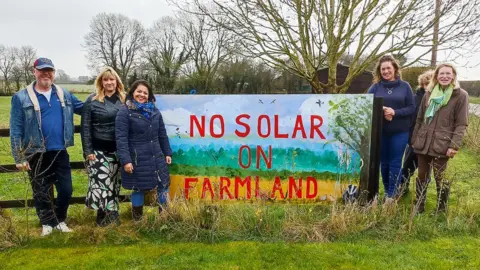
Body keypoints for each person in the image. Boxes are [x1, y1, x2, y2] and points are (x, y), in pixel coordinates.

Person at [9, 58, 83, 236]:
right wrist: (19, 157)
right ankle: (47, 224)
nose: (46, 74)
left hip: (59, 151)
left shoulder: (63, 94)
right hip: (36, 152)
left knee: (66, 189)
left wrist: (110, 101)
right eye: (42, 70)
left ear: (54, 73)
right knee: (40, 191)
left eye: (49, 70)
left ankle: (59, 220)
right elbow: (16, 128)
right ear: (34, 71)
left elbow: (85, 108)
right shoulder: (21, 97)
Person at [411, 63, 468, 213]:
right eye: (441, 73)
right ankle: (419, 206)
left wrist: (454, 145)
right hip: (424, 142)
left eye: (448, 74)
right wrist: (415, 139)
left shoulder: (461, 96)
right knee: (422, 175)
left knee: (440, 177)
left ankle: (441, 209)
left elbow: (461, 124)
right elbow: (420, 119)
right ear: (436, 76)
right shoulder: (428, 93)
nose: (444, 76)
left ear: (453, 76)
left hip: (442, 144)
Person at [115, 80, 172, 220]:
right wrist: (126, 161)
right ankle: (137, 220)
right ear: (132, 93)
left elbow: (162, 134)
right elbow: (121, 138)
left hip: (156, 155)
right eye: (139, 91)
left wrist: (167, 152)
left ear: (149, 95)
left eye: (145, 92)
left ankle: (164, 219)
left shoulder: (155, 111)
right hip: (137, 158)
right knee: (138, 187)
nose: (142, 95)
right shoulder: (125, 112)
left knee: (163, 185)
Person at [81, 67, 126, 226]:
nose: (109, 82)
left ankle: (101, 218)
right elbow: (85, 127)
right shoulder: (92, 100)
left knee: (114, 184)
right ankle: (113, 217)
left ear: (117, 81)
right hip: (99, 150)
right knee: (102, 183)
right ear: (101, 82)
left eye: (111, 79)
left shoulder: (123, 100)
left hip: (119, 150)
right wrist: (88, 151)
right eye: (105, 80)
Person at [368, 55, 415, 202]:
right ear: (379, 71)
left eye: (388, 68)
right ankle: (387, 191)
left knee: (395, 162)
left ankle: (392, 195)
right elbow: (367, 104)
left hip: (399, 132)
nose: (386, 71)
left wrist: (395, 112)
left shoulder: (405, 86)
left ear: (395, 68)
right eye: (383, 69)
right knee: (384, 162)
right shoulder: (375, 87)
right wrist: (383, 109)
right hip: (380, 132)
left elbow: (412, 108)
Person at [399, 70, 434, 194]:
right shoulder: (414, 99)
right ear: (422, 84)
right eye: (426, 83)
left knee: (425, 170)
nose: (428, 86)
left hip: (430, 141)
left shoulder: (438, 100)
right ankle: (402, 189)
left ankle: (421, 195)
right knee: (407, 166)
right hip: (414, 138)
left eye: (431, 83)